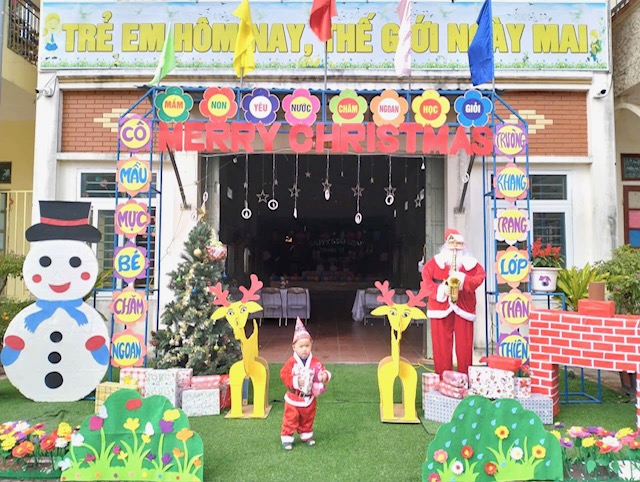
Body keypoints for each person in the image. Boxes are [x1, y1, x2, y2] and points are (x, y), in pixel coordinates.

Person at [421, 228, 486, 376]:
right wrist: (441, 290)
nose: (455, 250)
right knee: (441, 345)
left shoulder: (471, 263)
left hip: (464, 306)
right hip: (440, 307)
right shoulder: (435, 262)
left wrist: (463, 279)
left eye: (458, 246)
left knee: (464, 345)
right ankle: (443, 377)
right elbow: (426, 279)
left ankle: (464, 378)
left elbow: (480, 277)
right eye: (452, 246)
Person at [280, 318, 331, 451]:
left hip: (309, 398)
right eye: (301, 346)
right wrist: (296, 381)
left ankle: (306, 435)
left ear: (311, 345)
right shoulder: (291, 362)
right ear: (294, 347)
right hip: (293, 398)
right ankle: (287, 437)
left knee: (308, 417)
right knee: (290, 418)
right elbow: (284, 374)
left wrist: (324, 376)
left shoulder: (315, 361)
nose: (304, 349)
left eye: (307, 346)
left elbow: (322, 370)